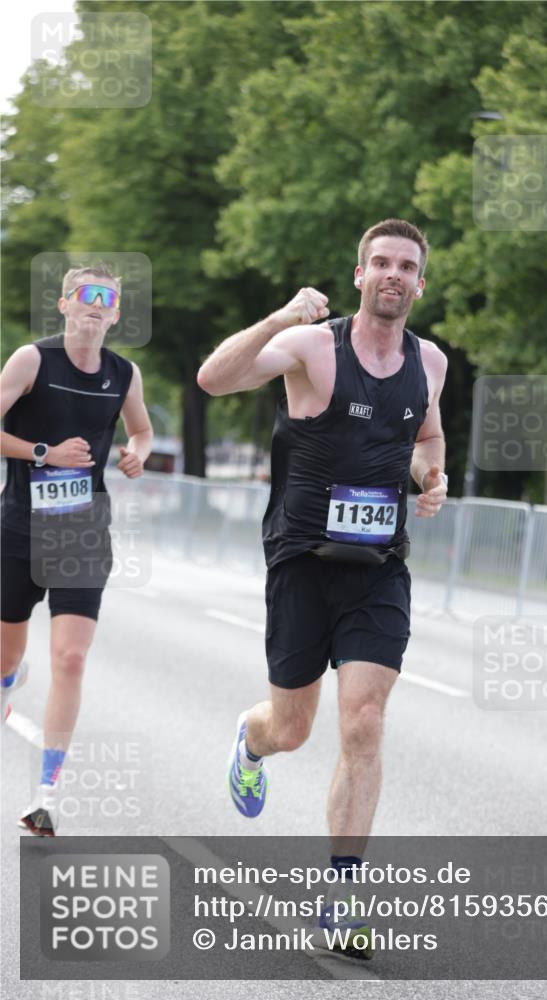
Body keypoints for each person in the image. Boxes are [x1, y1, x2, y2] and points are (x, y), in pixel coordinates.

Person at [197, 218, 447, 955]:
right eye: (380, 263)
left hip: (378, 569)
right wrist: (278, 315)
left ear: (419, 283)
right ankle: (251, 738)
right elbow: (214, 379)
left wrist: (431, 478)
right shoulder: (312, 346)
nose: (393, 274)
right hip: (302, 562)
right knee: (294, 728)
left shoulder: (428, 362)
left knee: (363, 721)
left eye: (406, 265)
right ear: (359, 276)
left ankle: (340, 901)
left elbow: (424, 440)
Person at [1, 264, 153, 835]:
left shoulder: (124, 373)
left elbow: (139, 429)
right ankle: (8, 684)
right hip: (18, 526)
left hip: (82, 531)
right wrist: (43, 451)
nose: (95, 305)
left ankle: (45, 794)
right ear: (65, 305)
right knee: (6, 658)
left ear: (115, 314)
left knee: (70, 658)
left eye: (106, 299)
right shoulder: (32, 360)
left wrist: (137, 451)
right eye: (84, 296)